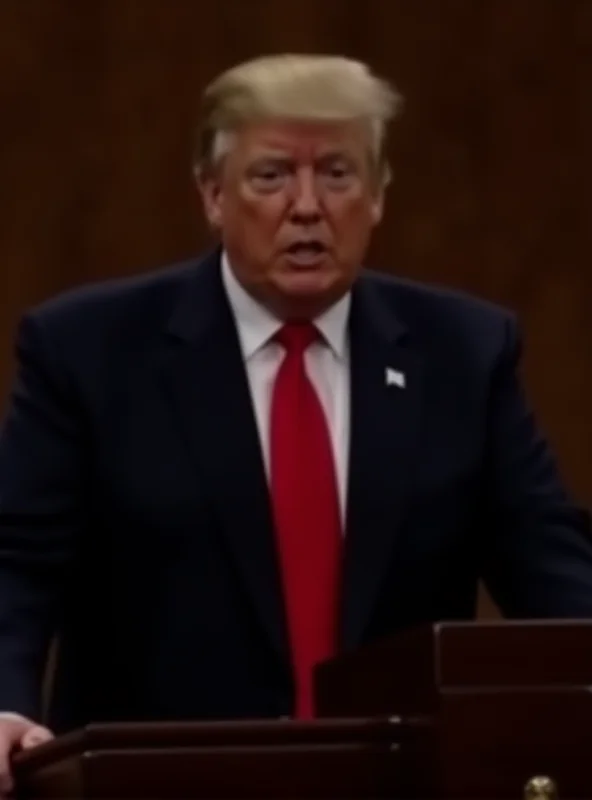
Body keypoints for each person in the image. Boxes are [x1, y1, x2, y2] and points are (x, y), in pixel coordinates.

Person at [0, 52, 591, 794]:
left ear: (377, 196)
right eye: (272, 176)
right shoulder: (88, 351)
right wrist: (5, 703)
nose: (307, 207)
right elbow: (17, 561)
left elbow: (547, 562)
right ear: (213, 195)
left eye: (337, 175)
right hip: (162, 784)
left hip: (394, 783)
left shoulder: (465, 355)